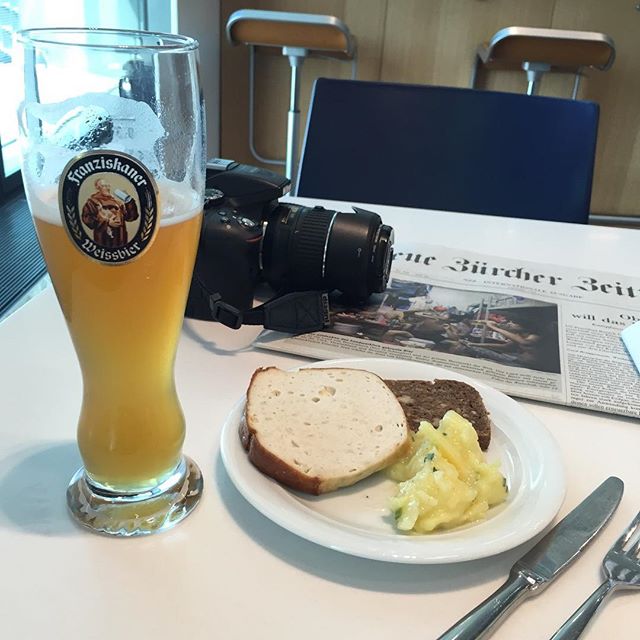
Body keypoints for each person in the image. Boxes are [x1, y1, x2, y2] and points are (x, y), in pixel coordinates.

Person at [81, 178, 139, 248]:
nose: (107, 188)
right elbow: (87, 219)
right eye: (104, 186)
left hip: (121, 240)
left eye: (108, 186)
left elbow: (131, 217)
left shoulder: (118, 203)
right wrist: (107, 222)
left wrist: (129, 201)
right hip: (103, 241)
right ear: (97, 188)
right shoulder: (92, 202)